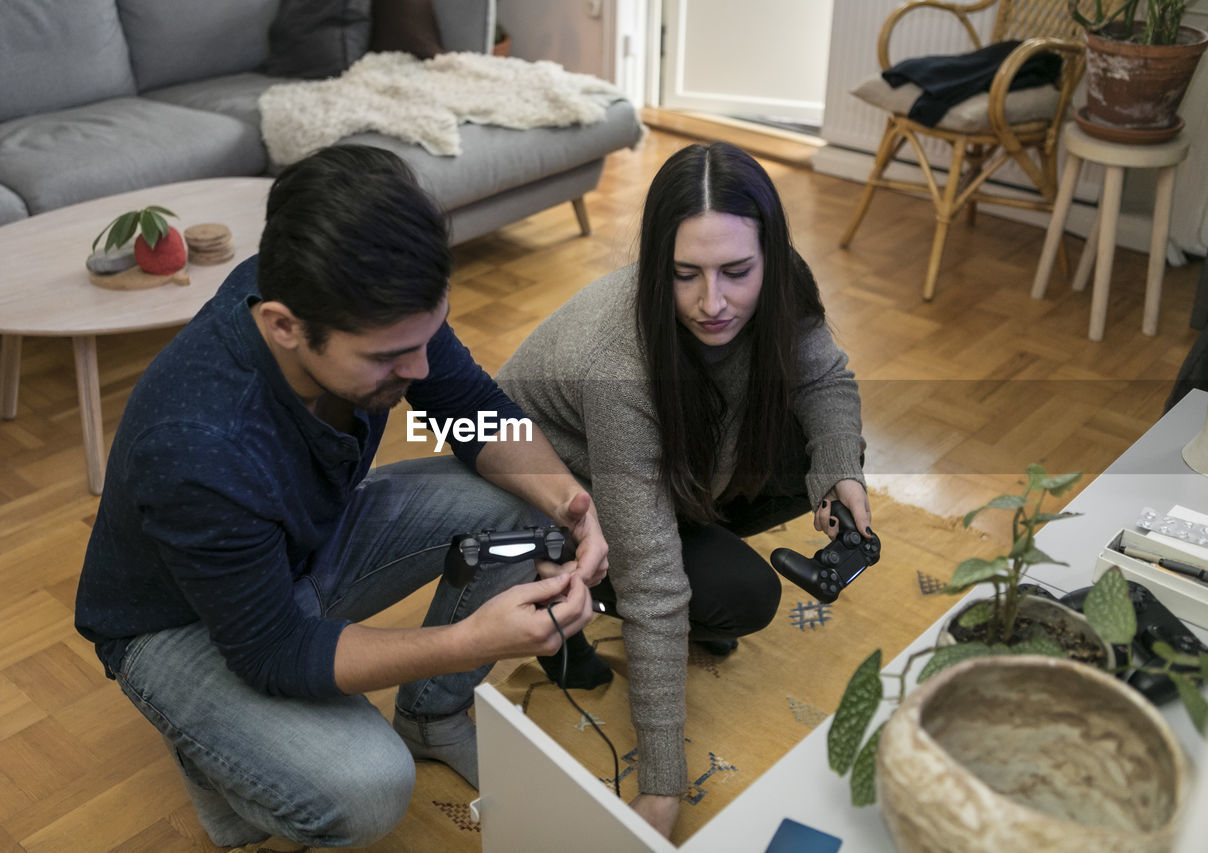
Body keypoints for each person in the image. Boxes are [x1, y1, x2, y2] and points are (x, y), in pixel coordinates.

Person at [74, 144, 608, 850]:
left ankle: (429, 717)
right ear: (283, 326)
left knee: (530, 508)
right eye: (389, 357)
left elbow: (469, 408)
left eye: (429, 333)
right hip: (174, 622)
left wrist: (573, 503)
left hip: (300, 541)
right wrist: (463, 642)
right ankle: (212, 756)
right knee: (365, 789)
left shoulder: (358, 296)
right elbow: (274, 647)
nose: (419, 368)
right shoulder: (198, 446)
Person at [497, 141, 870, 838]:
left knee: (815, 457)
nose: (714, 302)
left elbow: (825, 379)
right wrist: (662, 786)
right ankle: (558, 566)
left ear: (770, 255)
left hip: (654, 463)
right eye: (685, 275)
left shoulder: (783, 283)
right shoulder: (621, 364)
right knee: (737, 595)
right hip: (557, 478)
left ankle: (674, 541)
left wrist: (839, 471)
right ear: (656, 266)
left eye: (738, 271)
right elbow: (657, 585)